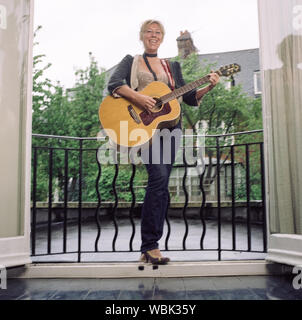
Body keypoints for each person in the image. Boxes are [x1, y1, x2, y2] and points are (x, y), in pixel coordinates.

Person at [107, 19, 220, 264]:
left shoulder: (172, 66)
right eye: (149, 31)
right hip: (143, 128)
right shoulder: (131, 61)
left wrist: (208, 87)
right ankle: (150, 245)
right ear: (142, 36)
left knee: (160, 185)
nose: (153, 35)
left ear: (163, 37)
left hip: (170, 130)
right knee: (158, 180)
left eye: (158, 32)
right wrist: (140, 98)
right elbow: (114, 84)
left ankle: (149, 247)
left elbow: (188, 97)